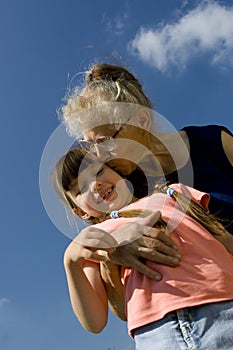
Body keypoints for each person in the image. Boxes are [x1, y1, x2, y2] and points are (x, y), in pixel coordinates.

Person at [58, 63, 233, 277]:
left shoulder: (212, 142)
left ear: (141, 120)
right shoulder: (125, 192)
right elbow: (123, 308)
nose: (97, 156)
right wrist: (113, 254)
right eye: (90, 144)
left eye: (104, 141)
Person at [53, 146, 233, 350]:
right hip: (155, 332)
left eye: (99, 171)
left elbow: (224, 239)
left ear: (117, 170)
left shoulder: (172, 194)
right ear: (80, 212)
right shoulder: (97, 237)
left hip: (222, 305)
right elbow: (95, 322)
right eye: (81, 188)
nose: (95, 184)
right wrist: (70, 262)